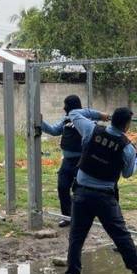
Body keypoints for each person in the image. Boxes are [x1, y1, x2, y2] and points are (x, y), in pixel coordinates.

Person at [57, 106, 137, 274]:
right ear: (127, 125)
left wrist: (100, 114)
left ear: (111, 120)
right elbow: (127, 174)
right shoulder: (127, 147)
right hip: (105, 198)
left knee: (76, 240)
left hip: (82, 195)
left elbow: (74, 113)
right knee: (121, 237)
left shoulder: (91, 129)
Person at [42, 95, 109, 228]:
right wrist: (41, 122)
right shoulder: (66, 119)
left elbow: (89, 113)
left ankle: (81, 218)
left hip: (82, 161)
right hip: (67, 161)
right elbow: (54, 130)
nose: (63, 107)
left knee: (79, 191)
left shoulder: (85, 119)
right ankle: (67, 217)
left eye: (65, 104)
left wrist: (101, 115)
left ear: (72, 105)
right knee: (62, 187)